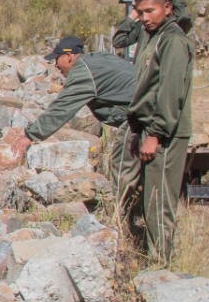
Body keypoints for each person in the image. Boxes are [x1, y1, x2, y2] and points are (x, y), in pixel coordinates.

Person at [9, 37, 138, 199]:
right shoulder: (99, 58)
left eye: (57, 59)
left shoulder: (82, 72)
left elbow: (61, 109)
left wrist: (30, 135)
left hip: (141, 116)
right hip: (154, 106)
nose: (55, 65)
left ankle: (122, 211)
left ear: (69, 56)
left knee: (121, 166)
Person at [125, 0, 194, 264]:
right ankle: (157, 257)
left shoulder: (173, 40)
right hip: (151, 128)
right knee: (151, 198)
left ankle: (161, 262)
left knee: (159, 202)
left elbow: (170, 91)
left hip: (164, 134)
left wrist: (155, 133)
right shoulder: (154, 36)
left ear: (167, 8)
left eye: (149, 11)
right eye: (140, 12)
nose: (144, 18)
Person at [112, 0, 192, 56]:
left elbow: (184, 19)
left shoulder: (174, 27)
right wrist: (131, 17)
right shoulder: (143, 26)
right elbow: (118, 41)